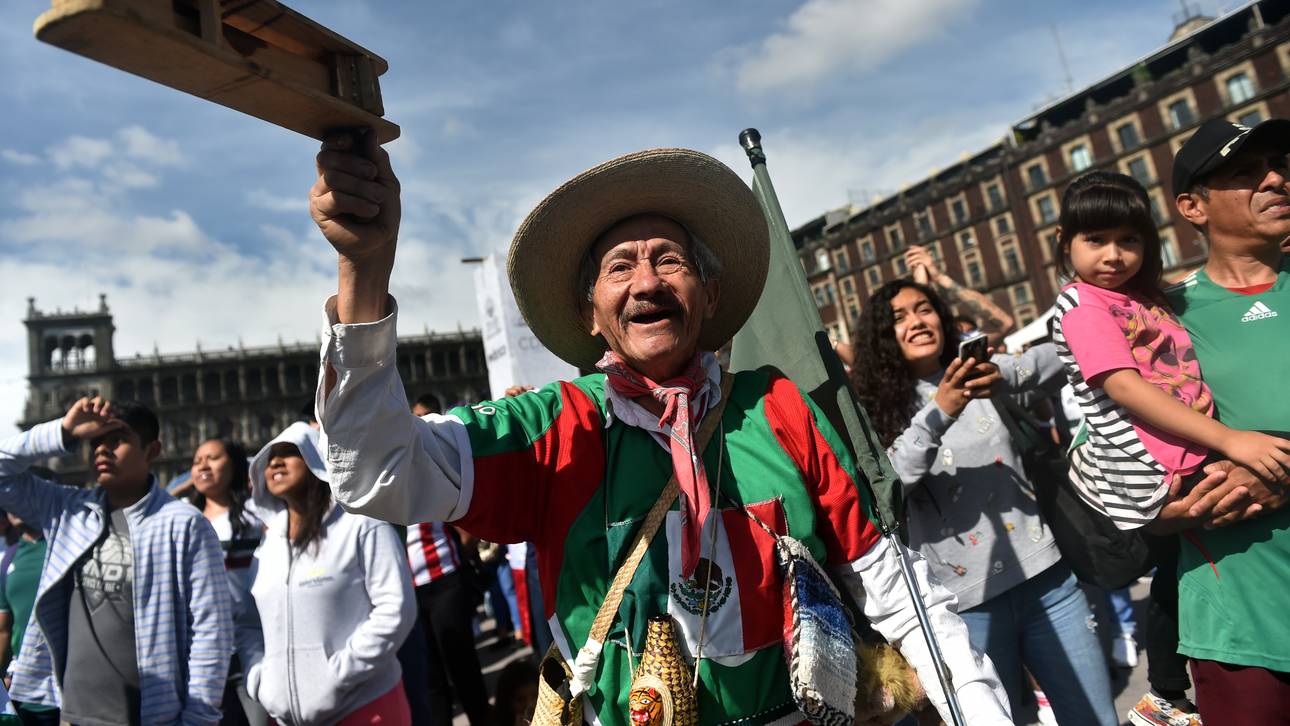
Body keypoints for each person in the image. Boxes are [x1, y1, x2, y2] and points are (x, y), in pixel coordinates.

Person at [307, 136, 1011, 725]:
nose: (646, 282)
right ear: (591, 314)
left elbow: (895, 587)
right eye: (621, 267)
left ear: (707, 294)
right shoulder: (557, 423)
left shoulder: (777, 407)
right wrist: (363, 271)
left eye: (668, 259)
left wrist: (978, 710)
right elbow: (379, 471)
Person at [850, 278, 1118, 725]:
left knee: (1095, 719)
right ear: (882, 339)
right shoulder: (871, 410)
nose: (917, 322)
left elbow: (1064, 354)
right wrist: (941, 410)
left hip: (1048, 583)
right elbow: (889, 487)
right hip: (963, 610)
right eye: (899, 318)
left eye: (925, 309)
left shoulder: (980, 376)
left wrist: (1005, 374)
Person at [1050, 170, 1290, 530]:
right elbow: (1124, 387)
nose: (1113, 255)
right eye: (1096, 240)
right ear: (1064, 240)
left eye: (1128, 240)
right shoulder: (1083, 304)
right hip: (1157, 467)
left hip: (1186, 450)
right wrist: (1231, 439)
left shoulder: (1138, 297)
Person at [1153, 117, 1290, 724]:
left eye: (1279, 166)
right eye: (1245, 174)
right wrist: (1155, 511)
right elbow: (1102, 460)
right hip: (1238, 628)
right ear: (1192, 206)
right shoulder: (1156, 323)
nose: (1277, 179)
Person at [0, 398, 232, 725]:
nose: (101, 451)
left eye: (117, 441)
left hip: (151, 715)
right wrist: (64, 431)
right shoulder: (67, 510)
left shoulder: (184, 524)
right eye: (95, 442)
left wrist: (197, 718)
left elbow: (212, 630)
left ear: (152, 450)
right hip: (71, 714)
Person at [237, 422, 416, 726]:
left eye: (289, 453)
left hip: (365, 706)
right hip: (286, 718)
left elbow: (396, 608)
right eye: (270, 457)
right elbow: (250, 625)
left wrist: (339, 674)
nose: (275, 462)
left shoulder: (361, 526)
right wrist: (261, 681)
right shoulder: (267, 548)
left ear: (317, 460)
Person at [188, 437, 268, 726]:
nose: (202, 466)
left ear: (235, 466)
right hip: (203, 653)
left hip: (257, 647)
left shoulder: (260, 515)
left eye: (212, 458)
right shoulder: (184, 519)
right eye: (197, 462)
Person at [0, 510, 55, 726]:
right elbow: (4, 629)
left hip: (72, 688)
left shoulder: (68, 546)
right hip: (25, 690)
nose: (14, 507)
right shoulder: (9, 559)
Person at [903, 245, 1015, 347]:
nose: (917, 323)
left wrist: (940, 277)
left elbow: (1004, 323)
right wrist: (921, 283)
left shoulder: (958, 350)